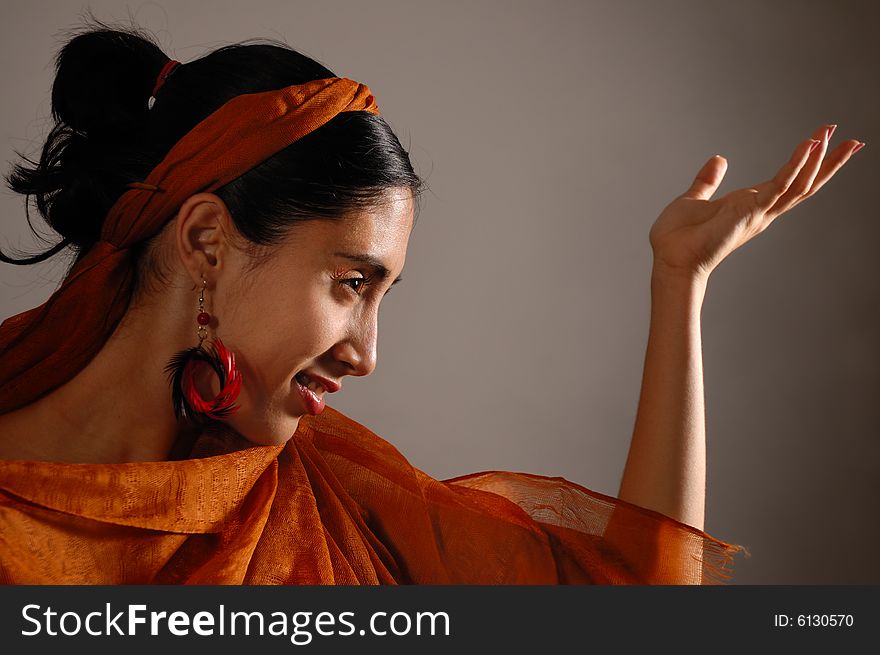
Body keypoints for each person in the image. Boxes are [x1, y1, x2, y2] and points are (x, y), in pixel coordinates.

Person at [0, 23, 863, 585]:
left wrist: (681, 283)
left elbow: (638, 611)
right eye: (351, 283)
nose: (366, 353)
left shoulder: (320, 489)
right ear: (205, 241)